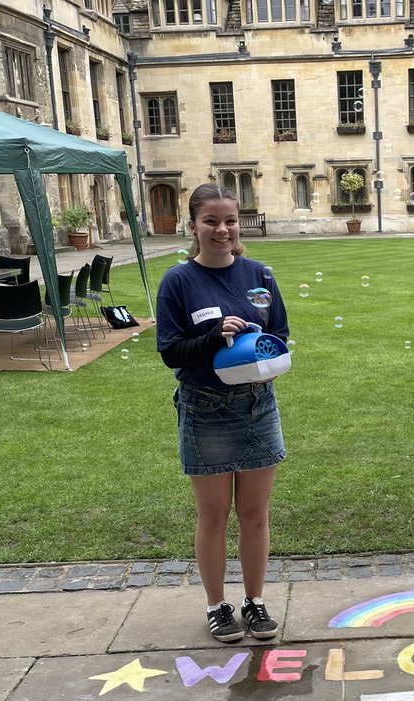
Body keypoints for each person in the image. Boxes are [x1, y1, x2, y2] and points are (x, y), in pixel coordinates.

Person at [156, 184, 289, 643]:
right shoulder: (179, 281)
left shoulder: (260, 275)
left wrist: (268, 358)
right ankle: (217, 606)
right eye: (211, 221)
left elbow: (281, 335)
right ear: (193, 224)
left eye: (229, 220)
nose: (222, 230)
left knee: (254, 512)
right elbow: (171, 353)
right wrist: (216, 335)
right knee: (213, 515)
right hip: (206, 408)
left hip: (258, 405)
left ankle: (255, 602)